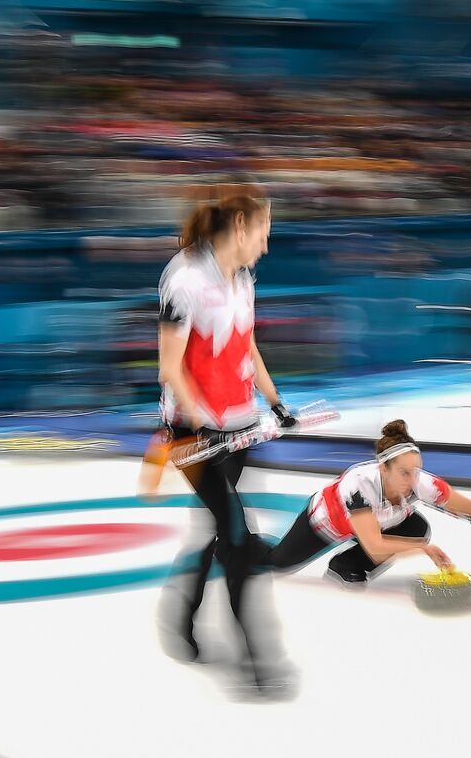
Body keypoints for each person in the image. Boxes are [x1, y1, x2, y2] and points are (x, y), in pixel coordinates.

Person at [149, 184, 297, 694]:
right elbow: (171, 368)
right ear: (240, 227)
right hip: (194, 437)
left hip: (238, 430)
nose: (267, 244)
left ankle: (178, 616)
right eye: (263, 232)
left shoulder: (244, 279)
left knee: (217, 530)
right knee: (237, 534)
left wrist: (275, 401)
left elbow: (246, 347)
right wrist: (197, 421)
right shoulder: (185, 279)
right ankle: (259, 662)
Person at [263, 419, 471, 581]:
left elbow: (470, 509)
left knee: (416, 529)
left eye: (415, 471)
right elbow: (375, 546)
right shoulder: (359, 485)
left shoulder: (419, 483)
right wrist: (425, 550)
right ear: (382, 468)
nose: (411, 480)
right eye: (403, 472)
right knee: (278, 564)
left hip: (375, 524)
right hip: (327, 524)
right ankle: (245, 542)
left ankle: (346, 565)